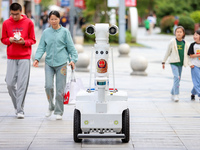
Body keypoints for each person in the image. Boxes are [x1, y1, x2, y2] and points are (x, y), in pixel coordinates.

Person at [33, 11, 78, 120]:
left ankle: (59, 111)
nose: (53, 21)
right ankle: (51, 105)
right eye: (51, 19)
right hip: (49, 63)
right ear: (48, 20)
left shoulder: (65, 32)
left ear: (59, 19)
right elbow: (41, 47)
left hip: (62, 64)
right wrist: (37, 59)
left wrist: (73, 60)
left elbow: (71, 48)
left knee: (60, 90)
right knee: (48, 86)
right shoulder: (46, 32)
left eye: (55, 19)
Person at [1, 3, 36, 119]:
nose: (14, 17)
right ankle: (18, 105)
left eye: (16, 14)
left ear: (21, 12)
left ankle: (20, 110)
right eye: (12, 14)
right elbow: (3, 39)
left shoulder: (29, 23)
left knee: (22, 84)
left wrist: (24, 42)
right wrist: (9, 40)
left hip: (24, 57)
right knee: (10, 83)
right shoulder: (6, 23)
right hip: (11, 56)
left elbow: (33, 40)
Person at [162, 26, 191, 102]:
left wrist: (190, 63)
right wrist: (163, 61)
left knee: (178, 79)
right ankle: (176, 95)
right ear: (175, 33)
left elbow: (189, 55)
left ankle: (172, 92)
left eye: (180, 32)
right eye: (177, 32)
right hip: (173, 63)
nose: (179, 33)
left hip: (181, 64)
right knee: (176, 77)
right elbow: (168, 52)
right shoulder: (172, 41)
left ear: (183, 33)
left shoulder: (186, 43)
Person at [187, 30, 200, 101]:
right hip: (195, 66)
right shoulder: (192, 45)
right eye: (194, 35)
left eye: (196, 35)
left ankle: (193, 93)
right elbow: (191, 55)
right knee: (197, 81)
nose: (194, 36)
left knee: (198, 82)